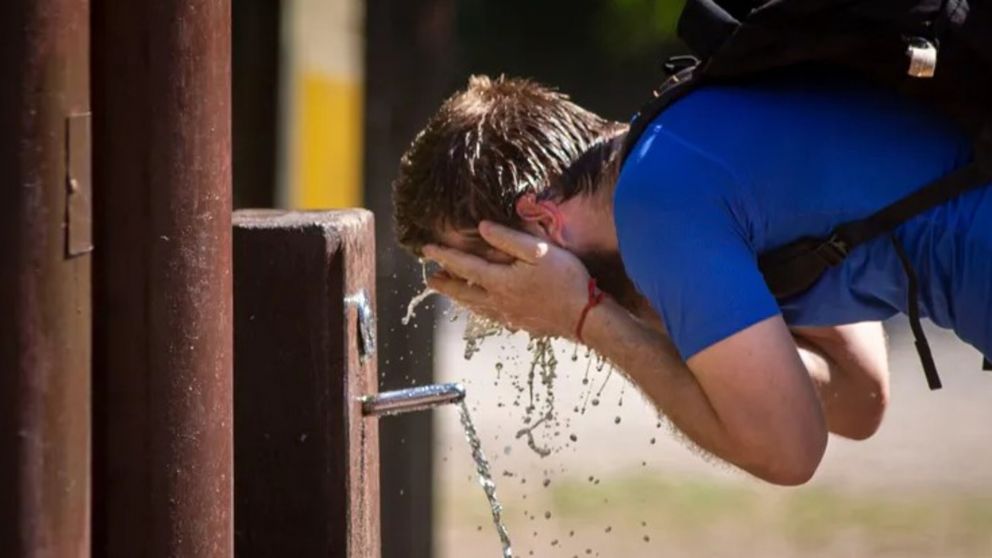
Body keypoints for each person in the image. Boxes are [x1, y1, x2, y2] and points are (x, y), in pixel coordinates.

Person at [392, 73, 992, 485]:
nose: (495, 304)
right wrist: (636, 314)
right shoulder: (683, 141)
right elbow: (860, 399)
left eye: (483, 271)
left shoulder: (655, 204)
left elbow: (789, 450)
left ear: (539, 219)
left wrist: (586, 317)